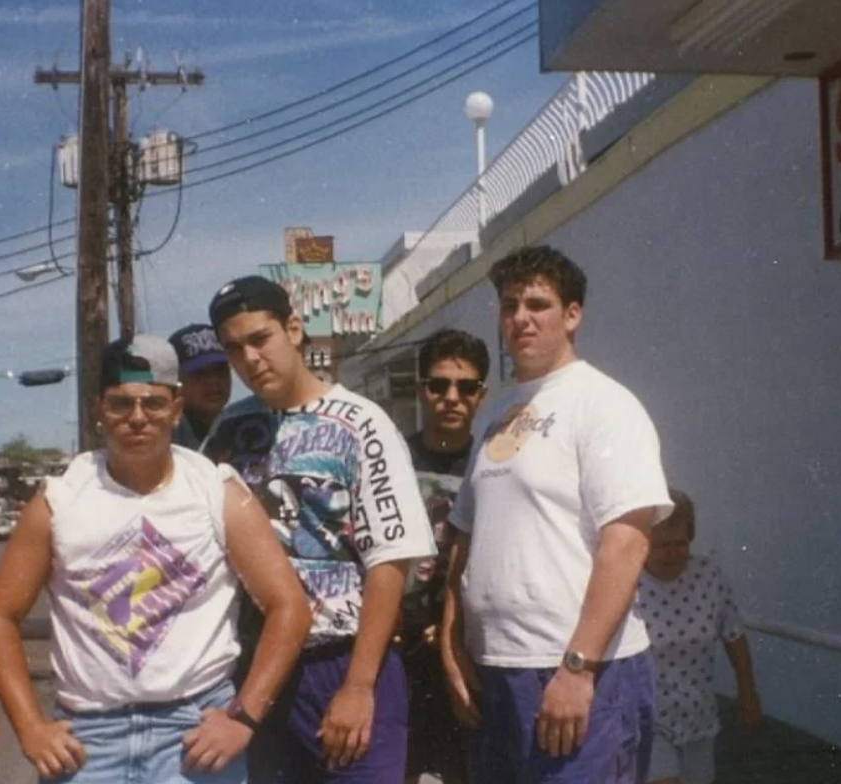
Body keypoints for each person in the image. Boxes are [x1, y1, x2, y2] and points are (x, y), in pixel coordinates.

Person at [0, 334, 311, 784]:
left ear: (175, 407)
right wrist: (30, 728)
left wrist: (243, 719)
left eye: (153, 403)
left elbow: (288, 605)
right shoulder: (59, 500)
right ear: (99, 408)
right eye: (121, 404)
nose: (137, 418)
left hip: (195, 733)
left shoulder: (216, 491)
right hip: (88, 741)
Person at [441, 245, 673, 784]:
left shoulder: (605, 405)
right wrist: (454, 646)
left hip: (575, 672)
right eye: (509, 304)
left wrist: (577, 668)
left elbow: (628, 542)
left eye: (538, 304)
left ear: (573, 315)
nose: (520, 317)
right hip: (495, 672)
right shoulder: (495, 414)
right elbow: (465, 539)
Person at [203, 276, 437, 784]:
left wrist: (358, 686)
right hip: (258, 668)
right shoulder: (227, 430)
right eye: (234, 349)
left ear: (293, 328)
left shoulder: (362, 422)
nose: (250, 359)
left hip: (344, 659)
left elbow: (389, 560)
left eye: (260, 339)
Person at [401, 328, 489, 784]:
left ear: (481, 394)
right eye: (438, 385)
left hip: (469, 648)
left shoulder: (493, 465)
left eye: (466, 387)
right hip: (401, 650)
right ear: (422, 390)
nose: (451, 397)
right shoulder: (392, 461)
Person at [639, 489, 761, 784]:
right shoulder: (626, 583)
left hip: (698, 715)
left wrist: (747, 691)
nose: (672, 553)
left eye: (680, 543)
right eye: (662, 545)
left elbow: (733, 635)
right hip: (646, 716)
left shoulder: (708, 575)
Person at [169, 323, 233, 450]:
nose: (213, 380)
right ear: (175, 380)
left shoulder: (240, 424)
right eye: (199, 373)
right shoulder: (167, 433)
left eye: (220, 370)